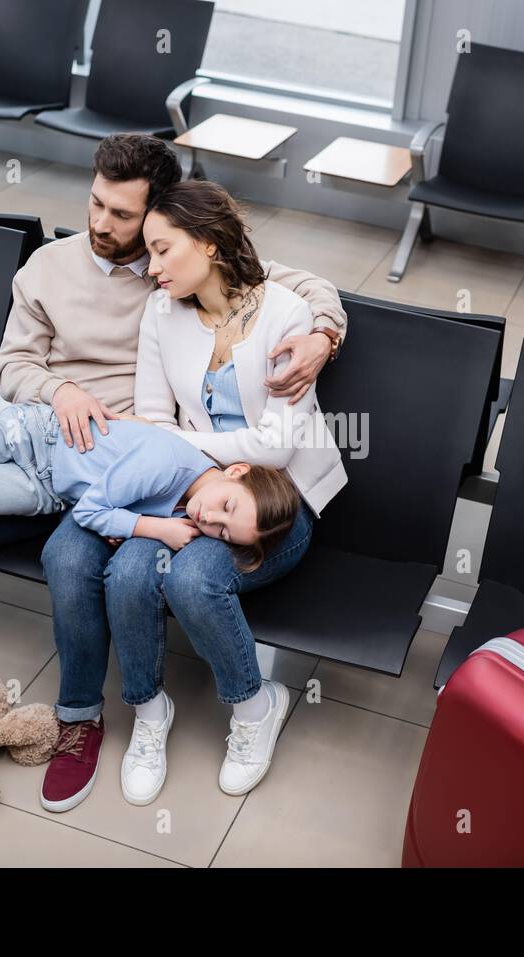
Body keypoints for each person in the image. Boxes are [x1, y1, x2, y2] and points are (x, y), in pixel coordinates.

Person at [0, 133, 347, 813]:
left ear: (163, 221)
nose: (100, 224)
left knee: (84, 559)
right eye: (95, 204)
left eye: (122, 215)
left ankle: (88, 714)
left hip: (169, 471)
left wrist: (325, 332)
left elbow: (290, 289)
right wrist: (59, 393)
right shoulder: (64, 273)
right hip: (66, 444)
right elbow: (16, 368)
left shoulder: (178, 271)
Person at [105, 179, 347, 805]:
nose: (150, 266)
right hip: (184, 493)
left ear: (209, 244)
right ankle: (149, 713)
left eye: (162, 250)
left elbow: (273, 450)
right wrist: (182, 453)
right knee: (130, 573)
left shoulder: (286, 315)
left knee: (191, 580)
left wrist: (185, 443)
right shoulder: (162, 312)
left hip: (274, 504)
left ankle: (253, 707)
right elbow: (152, 422)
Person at [0, 412, 300, 570]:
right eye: (225, 507)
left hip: (44, 488)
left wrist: (131, 526)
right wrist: (151, 528)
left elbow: (96, 511)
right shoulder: (169, 462)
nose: (208, 521)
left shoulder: (184, 505)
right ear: (235, 470)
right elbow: (95, 511)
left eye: (221, 533)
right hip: (35, 433)